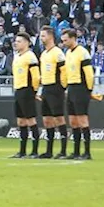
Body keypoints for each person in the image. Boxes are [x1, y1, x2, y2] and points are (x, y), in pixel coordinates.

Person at [61, 29, 96, 160]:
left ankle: (87, 152)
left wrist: (89, 90)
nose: (63, 43)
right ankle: (76, 151)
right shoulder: (68, 53)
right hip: (71, 88)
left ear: (73, 38)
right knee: (73, 120)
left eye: (65, 40)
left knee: (82, 119)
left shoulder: (82, 52)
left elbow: (89, 73)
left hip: (81, 88)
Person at [36, 25, 68, 158]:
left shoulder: (58, 53)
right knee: (47, 120)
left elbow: (64, 72)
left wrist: (62, 87)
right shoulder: (43, 54)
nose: (41, 38)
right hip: (46, 89)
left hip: (56, 89)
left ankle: (63, 150)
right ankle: (49, 151)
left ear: (50, 36)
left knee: (59, 118)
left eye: (43, 35)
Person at [10, 32, 41, 159]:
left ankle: (34, 151)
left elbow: (36, 76)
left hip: (27, 90)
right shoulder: (17, 56)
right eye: (16, 41)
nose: (16, 43)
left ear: (27, 43)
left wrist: (34, 91)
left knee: (30, 120)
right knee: (21, 121)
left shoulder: (30, 56)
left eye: (19, 41)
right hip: (18, 89)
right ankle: (22, 151)